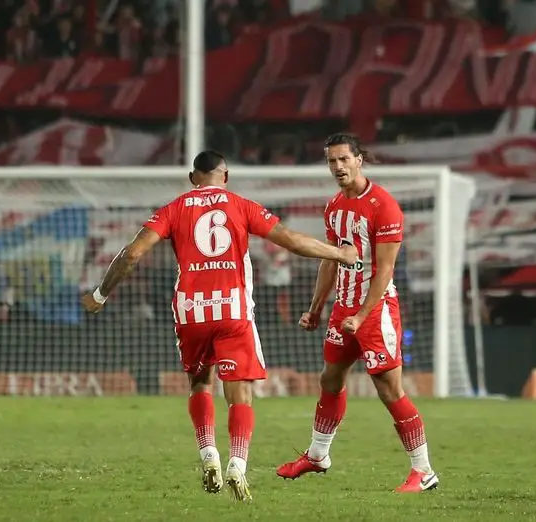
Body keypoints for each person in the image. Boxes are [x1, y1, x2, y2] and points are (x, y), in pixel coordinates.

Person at [81, 150, 356, 502]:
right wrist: (339, 253)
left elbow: (132, 254)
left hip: (191, 312)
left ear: (192, 178)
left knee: (200, 383)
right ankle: (237, 464)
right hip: (232, 310)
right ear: (225, 176)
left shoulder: (173, 209)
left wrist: (101, 294)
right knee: (239, 391)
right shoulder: (241, 206)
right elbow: (290, 239)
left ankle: (208, 453)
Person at [275, 134, 439, 493]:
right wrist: (315, 308)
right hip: (343, 309)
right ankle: (318, 455)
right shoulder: (334, 206)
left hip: (376, 311)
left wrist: (362, 316)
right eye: (331, 161)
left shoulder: (384, 206)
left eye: (343, 159)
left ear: (359, 160)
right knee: (330, 379)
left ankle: (424, 470)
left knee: (389, 389)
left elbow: (385, 270)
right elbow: (330, 259)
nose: (338, 167)